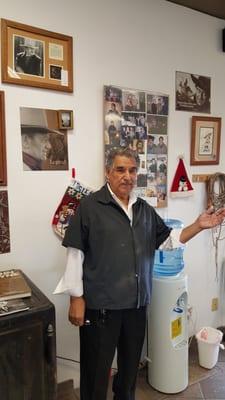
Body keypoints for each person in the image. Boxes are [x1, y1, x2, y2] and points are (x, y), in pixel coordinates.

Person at [54, 147, 225, 400]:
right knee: (95, 372)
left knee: (129, 370)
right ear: (108, 172)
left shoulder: (144, 209)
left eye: (133, 170)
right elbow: (75, 253)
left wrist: (199, 225)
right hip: (101, 308)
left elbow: (169, 241)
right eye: (121, 170)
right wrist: (76, 298)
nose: (128, 176)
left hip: (135, 306)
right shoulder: (90, 206)